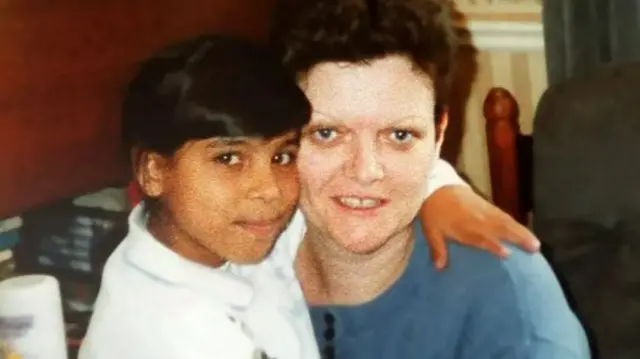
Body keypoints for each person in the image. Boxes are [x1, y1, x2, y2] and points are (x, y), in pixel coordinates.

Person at [80, 34, 539, 359]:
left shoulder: (222, 229)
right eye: (228, 159)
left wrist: (444, 190)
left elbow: (371, 176)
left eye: (283, 155)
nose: (268, 191)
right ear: (154, 170)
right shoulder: (171, 335)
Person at [269, 0, 591, 358]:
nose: (365, 171)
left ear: (439, 133)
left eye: (400, 136)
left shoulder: (515, 307)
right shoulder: (236, 263)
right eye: (327, 134)